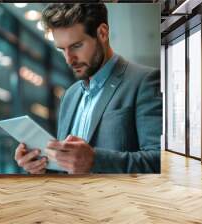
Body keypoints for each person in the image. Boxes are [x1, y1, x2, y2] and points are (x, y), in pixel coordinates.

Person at [14, 3, 162, 174]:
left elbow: (160, 161)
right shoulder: (70, 95)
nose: (69, 59)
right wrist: (41, 166)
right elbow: (67, 167)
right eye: (62, 49)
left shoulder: (144, 81)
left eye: (76, 46)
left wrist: (95, 161)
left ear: (102, 33)